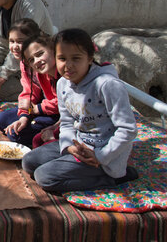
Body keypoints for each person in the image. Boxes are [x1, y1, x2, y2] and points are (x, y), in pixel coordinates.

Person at [22, 28, 139, 193]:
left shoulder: (107, 85)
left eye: (76, 59)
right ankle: (76, 163)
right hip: (80, 144)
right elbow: (67, 122)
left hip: (104, 154)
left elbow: (128, 129)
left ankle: (113, 177)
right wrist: (69, 146)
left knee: (44, 177)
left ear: (90, 58)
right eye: (62, 58)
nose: (68, 65)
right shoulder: (63, 84)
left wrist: (100, 156)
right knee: (28, 161)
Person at [0, 24, 59, 147]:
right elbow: (28, 92)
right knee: (2, 119)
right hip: (41, 107)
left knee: (16, 134)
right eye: (12, 41)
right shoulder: (27, 64)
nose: (16, 47)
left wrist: (39, 108)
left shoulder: (59, 70)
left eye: (21, 41)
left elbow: (65, 102)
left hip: (58, 113)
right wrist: (24, 116)